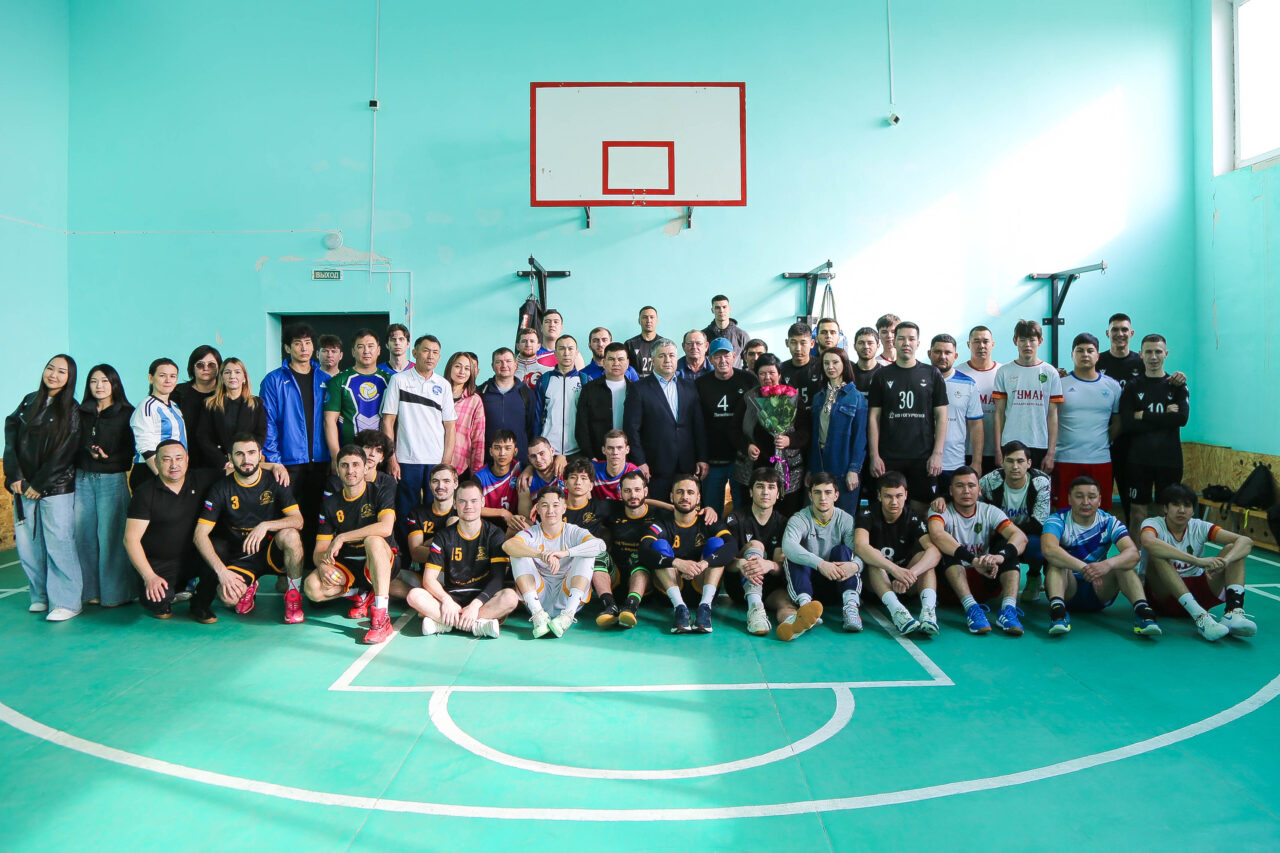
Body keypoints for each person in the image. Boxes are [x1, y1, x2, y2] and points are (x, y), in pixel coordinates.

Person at [194, 434, 306, 623]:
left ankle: (293, 596)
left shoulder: (275, 480)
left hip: (271, 551)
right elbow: (199, 535)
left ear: (260, 455)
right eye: (239, 454)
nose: (246, 459)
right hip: (242, 555)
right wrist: (223, 573)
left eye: (251, 453)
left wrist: (266, 525)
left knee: (291, 535)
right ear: (230, 458)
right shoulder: (220, 488)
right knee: (228, 598)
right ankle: (250, 585)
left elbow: (298, 520)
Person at [6, 354, 84, 621]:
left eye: (62, 371)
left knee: (59, 543)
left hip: (55, 487)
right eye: (50, 368)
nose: (53, 374)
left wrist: (40, 483)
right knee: (28, 546)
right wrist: (15, 476)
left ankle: (68, 602)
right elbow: (11, 436)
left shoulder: (71, 409)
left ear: (69, 378)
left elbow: (66, 451)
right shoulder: (29, 401)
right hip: (23, 487)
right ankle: (39, 595)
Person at [305, 445, 398, 644]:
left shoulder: (379, 492)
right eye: (344, 465)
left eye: (356, 465)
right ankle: (359, 592)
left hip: (378, 561)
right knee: (312, 587)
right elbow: (320, 550)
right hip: (349, 565)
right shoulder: (330, 503)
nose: (350, 470)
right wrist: (322, 566)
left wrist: (342, 537)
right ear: (337, 470)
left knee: (373, 540)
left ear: (365, 468)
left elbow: (386, 527)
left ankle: (382, 617)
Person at [1041, 476, 1155, 638]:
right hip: (1067, 590)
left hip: (1100, 590)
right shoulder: (1057, 520)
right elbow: (1049, 549)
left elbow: (1133, 553)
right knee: (1057, 562)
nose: (1085, 502)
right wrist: (1083, 568)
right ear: (1069, 499)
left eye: (1091, 497)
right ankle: (1058, 614)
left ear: (1100, 500)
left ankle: (1144, 614)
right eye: (1079, 496)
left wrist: (1106, 565)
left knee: (1123, 564)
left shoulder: (1110, 522)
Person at [1140, 483, 1256, 641]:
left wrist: (1226, 561)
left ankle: (1233, 613)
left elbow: (1246, 541)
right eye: (1176, 504)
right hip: (1163, 595)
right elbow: (1148, 542)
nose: (1182, 510)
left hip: (1197, 591)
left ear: (1193, 510)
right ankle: (1200, 617)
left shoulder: (1199, 526)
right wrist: (1197, 561)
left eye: (1187, 505)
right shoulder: (1153, 524)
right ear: (1165, 508)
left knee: (1233, 548)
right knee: (1156, 554)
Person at [406, 479, 519, 638]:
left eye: (474, 501)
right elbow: (428, 579)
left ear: (482, 502)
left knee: (511, 598)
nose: (468, 506)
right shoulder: (443, 536)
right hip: (452, 599)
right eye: (462, 501)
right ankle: (477, 625)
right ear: (454, 504)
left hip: (484, 600)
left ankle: (444, 623)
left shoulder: (495, 534)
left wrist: (475, 605)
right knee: (414, 596)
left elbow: (498, 579)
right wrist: (446, 601)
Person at [124, 441, 221, 621]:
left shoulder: (201, 478)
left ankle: (200, 605)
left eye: (178, 458)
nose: (174, 464)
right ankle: (166, 597)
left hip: (193, 558)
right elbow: (131, 540)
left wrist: (273, 466)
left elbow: (241, 470)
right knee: (157, 601)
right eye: (166, 459)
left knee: (220, 549)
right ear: (156, 462)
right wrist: (149, 576)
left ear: (187, 460)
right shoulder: (145, 493)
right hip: (159, 562)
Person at [927, 467, 1028, 635]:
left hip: (987, 577)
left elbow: (1021, 537)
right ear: (950, 491)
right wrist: (973, 560)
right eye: (960, 486)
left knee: (1008, 548)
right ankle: (971, 608)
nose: (966, 491)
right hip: (951, 586)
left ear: (979, 490)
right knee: (945, 550)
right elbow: (937, 535)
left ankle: (1008, 609)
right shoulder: (940, 510)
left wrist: (1000, 557)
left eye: (971, 485)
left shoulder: (989, 511)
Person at [381, 334, 456, 546]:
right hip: (406, 459)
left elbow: (450, 427)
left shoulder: (443, 385)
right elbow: (388, 422)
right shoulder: (399, 380)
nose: (430, 356)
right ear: (414, 353)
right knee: (405, 512)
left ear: (439, 357)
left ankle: (434, 556)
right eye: (425, 350)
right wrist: (392, 458)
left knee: (438, 512)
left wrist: (445, 463)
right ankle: (406, 557)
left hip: (435, 460)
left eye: (435, 352)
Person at [261, 323, 330, 552]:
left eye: (308, 343)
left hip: (320, 461)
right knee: (289, 516)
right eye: (298, 343)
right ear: (287, 348)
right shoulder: (274, 380)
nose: (304, 348)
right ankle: (287, 566)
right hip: (288, 462)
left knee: (318, 515)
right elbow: (268, 422)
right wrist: (274, 460)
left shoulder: (325, 379)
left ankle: (313, 563)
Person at [503, 485, 606, 638]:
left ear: (564, 508)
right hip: (538, 597)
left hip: (567, 597)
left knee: (587, 552)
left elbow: (600, 546)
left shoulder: (574, 531)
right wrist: (541, 555)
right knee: (517, 553)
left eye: (556, 505)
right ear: (537, 509)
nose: (550, 510)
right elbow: (508, 545)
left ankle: (567, 617)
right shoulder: (532, 533)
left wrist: (564, 553)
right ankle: (539, 617)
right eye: (545, 505)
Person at [640, 475, 738, 634]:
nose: (685, 496)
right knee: (658, 545)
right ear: (672, 496)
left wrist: (704, 564)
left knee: (717, 543)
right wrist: (676, 562)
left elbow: (732, 546)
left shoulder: (709, 521)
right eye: (679, 492)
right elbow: (643, 550)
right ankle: (679, 608)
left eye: (690, 492)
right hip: (669, 591)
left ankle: (705, 608)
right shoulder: (662, 523)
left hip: (700, 587)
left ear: (698, 498)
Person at [867, 322, 948, 509]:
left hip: (923, 457)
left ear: (918, 343)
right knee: (889, 508)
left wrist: (937, 454)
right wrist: (874, 455)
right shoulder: (881, 375)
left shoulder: (932, 374)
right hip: (889, 457)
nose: (906, 343)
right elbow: (873, 418)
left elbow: (942, 417)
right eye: (901, 338)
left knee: (922, 510)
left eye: (911, 339)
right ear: (894, 342)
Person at [74, 364, 136, 608]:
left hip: (111, 481)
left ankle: (115, 595)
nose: (99, 386)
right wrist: (87, 451)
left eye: (104, 381)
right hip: (82, 480)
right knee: (84, 537)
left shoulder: (127, 412)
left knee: (111, 538)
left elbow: (129, 454)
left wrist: (106, 458)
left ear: (114, 384)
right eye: (93, 381)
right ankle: (90, 592)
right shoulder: (80, 412)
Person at [1119, 334, 1189, 535]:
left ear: (1166, 354)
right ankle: (1134, 555)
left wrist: (1143, 415)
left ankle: (1163, 554)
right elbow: (1128, 423)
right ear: (1140, 354)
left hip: (1169, 461)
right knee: (1137, 513)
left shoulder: (1177, 385)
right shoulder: (1132, 386)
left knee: (1166, 513)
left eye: (1158, 351)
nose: (1153, 356)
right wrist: (1165, 417)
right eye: (1148, 352)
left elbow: (1181, 419)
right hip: (1138, 460)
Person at [857, 471, 942, 636]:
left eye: (899, 496)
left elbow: (935, 552)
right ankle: (898, 613)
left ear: (906, 495)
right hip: (877, 586)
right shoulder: (866, 514)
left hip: (905, 584)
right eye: (888, 496)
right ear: (879, 496)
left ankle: (928, 613)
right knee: (874, 558)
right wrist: (894, 570)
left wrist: (910, 574)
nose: (894, 502)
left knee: (925, 558)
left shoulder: (912, 516)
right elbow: (861, 546)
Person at [624, 337, 708, 500]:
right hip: (655, 465)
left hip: (687, 463)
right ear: (653, 360)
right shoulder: (639, 389)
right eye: (662, 356)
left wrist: (702, 458)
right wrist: (640, 461)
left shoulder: (689, 386)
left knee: (685, 507)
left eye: (671, 355)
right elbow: (631, 429)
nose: (667, 360)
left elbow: (698, 426)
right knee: (660, 509)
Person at [779, 474, 860, 638]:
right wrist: (821, 564)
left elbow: (860, 552)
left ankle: (851, 607)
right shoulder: (799, 518)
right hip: (808, 585)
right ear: (810, 495)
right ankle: (806, 607)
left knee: (843, 551)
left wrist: (856, 565)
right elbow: (788, 546)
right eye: (817, 492)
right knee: (794, 555)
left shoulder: (846, 520)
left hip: (837, 582)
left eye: (828, 492)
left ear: (836, 495)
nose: (823, 498)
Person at [733, 354, 810, 515]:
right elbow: (733, 430)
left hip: (787, 467)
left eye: (771, 373)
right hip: (755, 466)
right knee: (753, 513)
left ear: (779, 374)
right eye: (762, 373)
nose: (767, 377)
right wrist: (747, 447)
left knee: (786, 514)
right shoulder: (749, 398)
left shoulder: (793, 397)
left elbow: (806, 430)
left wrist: (790, 440)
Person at [976, 441, 1051, 602]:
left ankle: (1034, 576)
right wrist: (943, 499)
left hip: (1028, 536)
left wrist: (1009, 532)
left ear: (1029, 463)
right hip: (999, 537)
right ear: (1002, 462)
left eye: (1020, 461)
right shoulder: (989, 481)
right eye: (1009, 461)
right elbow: (968, 499)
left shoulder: (1041, 482)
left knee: (1039, 546)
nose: (1015, 466)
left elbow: (1039, 524)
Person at [1055, 332, 1122, 509]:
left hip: (1100, 459)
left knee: (1100, 512)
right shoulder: (1059, 384)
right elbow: (1050, 421)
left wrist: (1101, 441)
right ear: (1072, 355)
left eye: (1090, 350)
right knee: (1064, 512)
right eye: (1080, 350)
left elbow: (1118, 422)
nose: (1085, 354)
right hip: (1065, 459)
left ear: (1097, 355)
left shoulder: (1113, 386)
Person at [724, 468, 791, 636]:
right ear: (750, 492)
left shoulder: (783, 523)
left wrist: (769, 565)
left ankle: (792, 625)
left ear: (778, 493)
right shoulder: (735, 519)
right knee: (755, 545)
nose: (765, 492)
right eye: (760, 486)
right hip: (739, 586)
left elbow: (780, 569)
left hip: (769, 588)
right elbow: (725, 564)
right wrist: (741, 563)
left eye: (771, 487)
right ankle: (755, 609)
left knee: (786, 604)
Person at [696, 338, 758, 518]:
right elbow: (697, 423)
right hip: (713, 460)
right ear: (710, 359)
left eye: (726, 355)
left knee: (741, 509)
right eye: (717, 356)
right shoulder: (701, 384)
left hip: (741, 458)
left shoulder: (748, 380)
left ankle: (738, 536)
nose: (722, 360)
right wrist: (701, 457)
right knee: (711, 510)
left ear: (734, 356)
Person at [992, 319, 1062, 471]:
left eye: (1032, 340)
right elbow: (999, 413)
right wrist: (997, 449)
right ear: (1015, 341)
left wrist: (1051, 453)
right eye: (1022, 340)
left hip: (1040, 445)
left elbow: (1053, 415)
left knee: (1038, 486)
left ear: (1040, 341)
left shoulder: (1050, 372)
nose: (1027, 345)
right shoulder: (1004, 371)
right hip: (1010, 444)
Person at [561, 457, 621, 624]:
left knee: (596, 554)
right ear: (565, 483)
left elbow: (636, 505)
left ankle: (610, 605)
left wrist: (672, 507)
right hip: (567, 567)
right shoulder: (556, 509)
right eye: (573, 477)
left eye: (583, 478)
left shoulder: (601, 506)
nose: (578, 482)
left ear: (591, 485)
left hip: (597, 564)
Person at [602, 468, 664, 627]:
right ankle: (609, 605)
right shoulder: (613, 511)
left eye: (637, 490)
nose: (633, 495)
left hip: (643, 583)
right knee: (598, 557)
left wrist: (672, 507)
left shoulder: (659, 515)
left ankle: (631, 607)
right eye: (627, 490)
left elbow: (684, 512)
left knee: (640, 561)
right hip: (616, 581)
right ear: (620, 493)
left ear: (645, 491)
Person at [810, 347, 868, 515]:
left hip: (843, 465)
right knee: (820, 516)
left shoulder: (856, 397)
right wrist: (810, 469)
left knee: (844, 517)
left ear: (844, 364)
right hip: (819, 463)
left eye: (835, 362)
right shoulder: (819, 397)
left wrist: (854, 470)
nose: (830, 367)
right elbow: (814, 435)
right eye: (826, 363)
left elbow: (860, 439)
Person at [324, 329, 393, 463]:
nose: (366, 351)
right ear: (353, 351)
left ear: (379, 350)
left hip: (380, 458)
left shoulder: (390, 380)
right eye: (361, 346)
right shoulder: (339, 381)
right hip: (349, 458)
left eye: (371, 346)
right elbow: (329, 420)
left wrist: (390, 459)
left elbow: (394, 422)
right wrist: (335, 457)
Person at [194, 358, 270, 473]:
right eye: (227, 372)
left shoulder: (256, 403)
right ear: (221, 378)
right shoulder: (210, 404)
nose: (232, 376)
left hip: (247, 464)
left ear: (244, 378)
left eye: (237, 372)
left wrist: (248, 457)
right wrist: (223, 461)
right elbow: (203, 437)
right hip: (219, 465)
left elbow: (261, 433)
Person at [929, 333, 984, 485]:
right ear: (929, 353)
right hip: (923, 461)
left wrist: (977, 462)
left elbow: (976, 425)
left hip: (955, 463)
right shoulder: (919, 382)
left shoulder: (968, 384)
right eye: (938, 352)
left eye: (948, 352)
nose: (942, 356)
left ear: (956, 356)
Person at [129, 357, 186, 490]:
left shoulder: (174, 406)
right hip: (150, 472)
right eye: (162, 375)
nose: (168, 380)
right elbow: (145, 446)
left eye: (172, 376)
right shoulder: (146, 406)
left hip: (171, 473)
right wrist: (163, 479)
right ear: (151, 378)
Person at [477, 347, 537, 466]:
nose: (504, 365)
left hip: (520, 461)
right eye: (499, 362)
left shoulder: (527, 393)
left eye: (508, 361)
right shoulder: (481, 392)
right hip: (489, 460)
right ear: (492, 366)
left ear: (515, 365)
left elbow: (532, 427)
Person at [575, 342, 632, 463]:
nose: (616, 363)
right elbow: (581, 426)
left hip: (629, 456)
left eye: (620, 359)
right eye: (611, 359)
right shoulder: (589, 389)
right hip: (597, 456)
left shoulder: (636, 390)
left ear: (627, 363)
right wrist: (590, 455)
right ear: (604, 362)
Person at [956, 325, 1001, 473]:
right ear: (968, 344)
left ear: (992, 344)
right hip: (965, 451)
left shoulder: (1003, 373)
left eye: (985, 341)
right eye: (976, 341)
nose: (981, 346)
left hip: (998, 452)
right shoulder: (958, 373)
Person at [533, 335, 584, 457]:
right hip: (548, 449)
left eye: (570, 349)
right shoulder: (544, 380)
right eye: (561, 348)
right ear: (555, 353)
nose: (566, 353)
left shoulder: (585, 380)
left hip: (577, 450)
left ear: (576, 353)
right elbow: (536, 417)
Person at [475, 432, 528, 534]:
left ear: (515, 451)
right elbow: (473, 507)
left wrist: (528, 470)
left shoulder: (521, 468)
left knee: (524, 525)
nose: (502, 453)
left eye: (508, 448)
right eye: (497, 448)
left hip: (513, 525)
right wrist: (502, 512)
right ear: (491, 451)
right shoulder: (480, 477)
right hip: (486, 528)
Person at [444, 351, 486, 476]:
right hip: (431, 460)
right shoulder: (437, 394)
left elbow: (478, 440)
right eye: (458, 366)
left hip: (460, 466)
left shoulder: (475, 401)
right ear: (450, 367)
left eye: (467, 368)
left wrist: (476, 474)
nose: (462, 372)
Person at [173, 345, 222, 439]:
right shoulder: (178, 392)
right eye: (200, 365)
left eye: (211, 365)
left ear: (219, 367)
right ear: (192, 367)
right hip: (183, 447)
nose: (206, 368)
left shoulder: (226, 393)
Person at [515, 436, 566, 518]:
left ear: (552, 451)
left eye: (542, 453)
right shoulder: (526, 481)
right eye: (533, 456)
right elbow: (525, 518)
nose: (538, 459)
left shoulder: (567, 471)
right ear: (529, 458)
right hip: (540, 524)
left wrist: (562, 456)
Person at [780, 322, 824, 410]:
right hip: (791, 418)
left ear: (812, 343)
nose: (798, 348)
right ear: (787, 343)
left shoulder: (822, 366)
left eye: (803, 343)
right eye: (793, 342)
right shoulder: (780, 370)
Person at [590, 429, 640, 500]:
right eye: (610, 448)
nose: (615, 452)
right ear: (603, 450)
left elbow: (640, 501)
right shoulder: (593, 470)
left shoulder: (634, 473)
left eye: (619, 448)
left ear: (627, 450)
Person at [702, 294, 751, 367]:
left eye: (724, 307)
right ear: (712, 310)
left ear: (729, 309)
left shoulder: (742, 335)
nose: (721, 311)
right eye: (717, 308)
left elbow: (748, 362)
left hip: (736, 374)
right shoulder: (703, 336)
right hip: (710, 374)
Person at [625, 306, 661, 377]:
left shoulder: (664, 344)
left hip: (658, 383)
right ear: (639, 321)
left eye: (652, 317)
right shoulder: (629, 344)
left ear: (657, 320)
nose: (648, 320)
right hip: (636, 383)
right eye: (645, 317)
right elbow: (625, 368)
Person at [850, 327, 882, 394]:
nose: (866, 346)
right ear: (855, 347)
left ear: (878, 346)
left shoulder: (885, 374)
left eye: (870, 343)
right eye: (861, 343)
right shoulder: (847, 375)